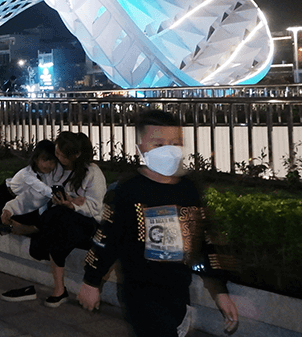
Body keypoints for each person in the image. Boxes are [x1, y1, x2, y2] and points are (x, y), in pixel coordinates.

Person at [78, 110, 239, 336]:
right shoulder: (126, 190)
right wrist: (91, 282)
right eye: (159, 144)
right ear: (141, 148)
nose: (169, 150)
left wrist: (220, 292)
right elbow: (107, 238)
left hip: (178, 292)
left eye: (175, 143)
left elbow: (203, 240)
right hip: (140, 293)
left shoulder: (188, 190)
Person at [1, 132, 106, 307]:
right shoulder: (56, 170)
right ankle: (60, 291)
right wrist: (10, 208)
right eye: (56, 153)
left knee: (60, 218)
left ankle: (34, 229)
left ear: (76, 155)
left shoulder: (92, 173)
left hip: (88, 224)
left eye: (60, 155)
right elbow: (37, 195)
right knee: (57, 227)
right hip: (60, 223)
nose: (56, 157)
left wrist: (72, 205)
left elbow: (95, 208)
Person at [0, 139, 57, 235]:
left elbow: (42, 198)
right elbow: (43, 189)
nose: (49, 165)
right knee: (4, 221)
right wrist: (56, 195)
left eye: (53, 162)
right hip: (6, 194)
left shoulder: (47, 174)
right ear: (36, 159)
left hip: (22, 198)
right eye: (44, 160)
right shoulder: (27, 174)